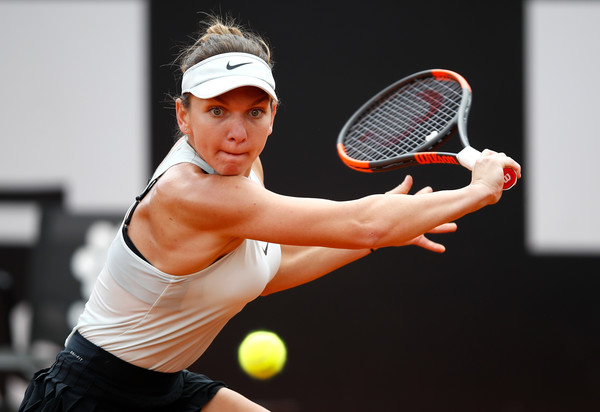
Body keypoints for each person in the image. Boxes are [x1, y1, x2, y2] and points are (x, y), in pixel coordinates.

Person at [19, 14, 521, 412]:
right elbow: (363, 218)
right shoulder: (190, 193)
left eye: (253, 112)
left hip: (160, 388)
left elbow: (266, 272)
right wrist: (479, 190)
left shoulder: (244, 167)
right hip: (88, 396)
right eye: (217, 111)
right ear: (183, 116)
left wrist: (377, 239)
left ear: (272, 114)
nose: (237, 132)